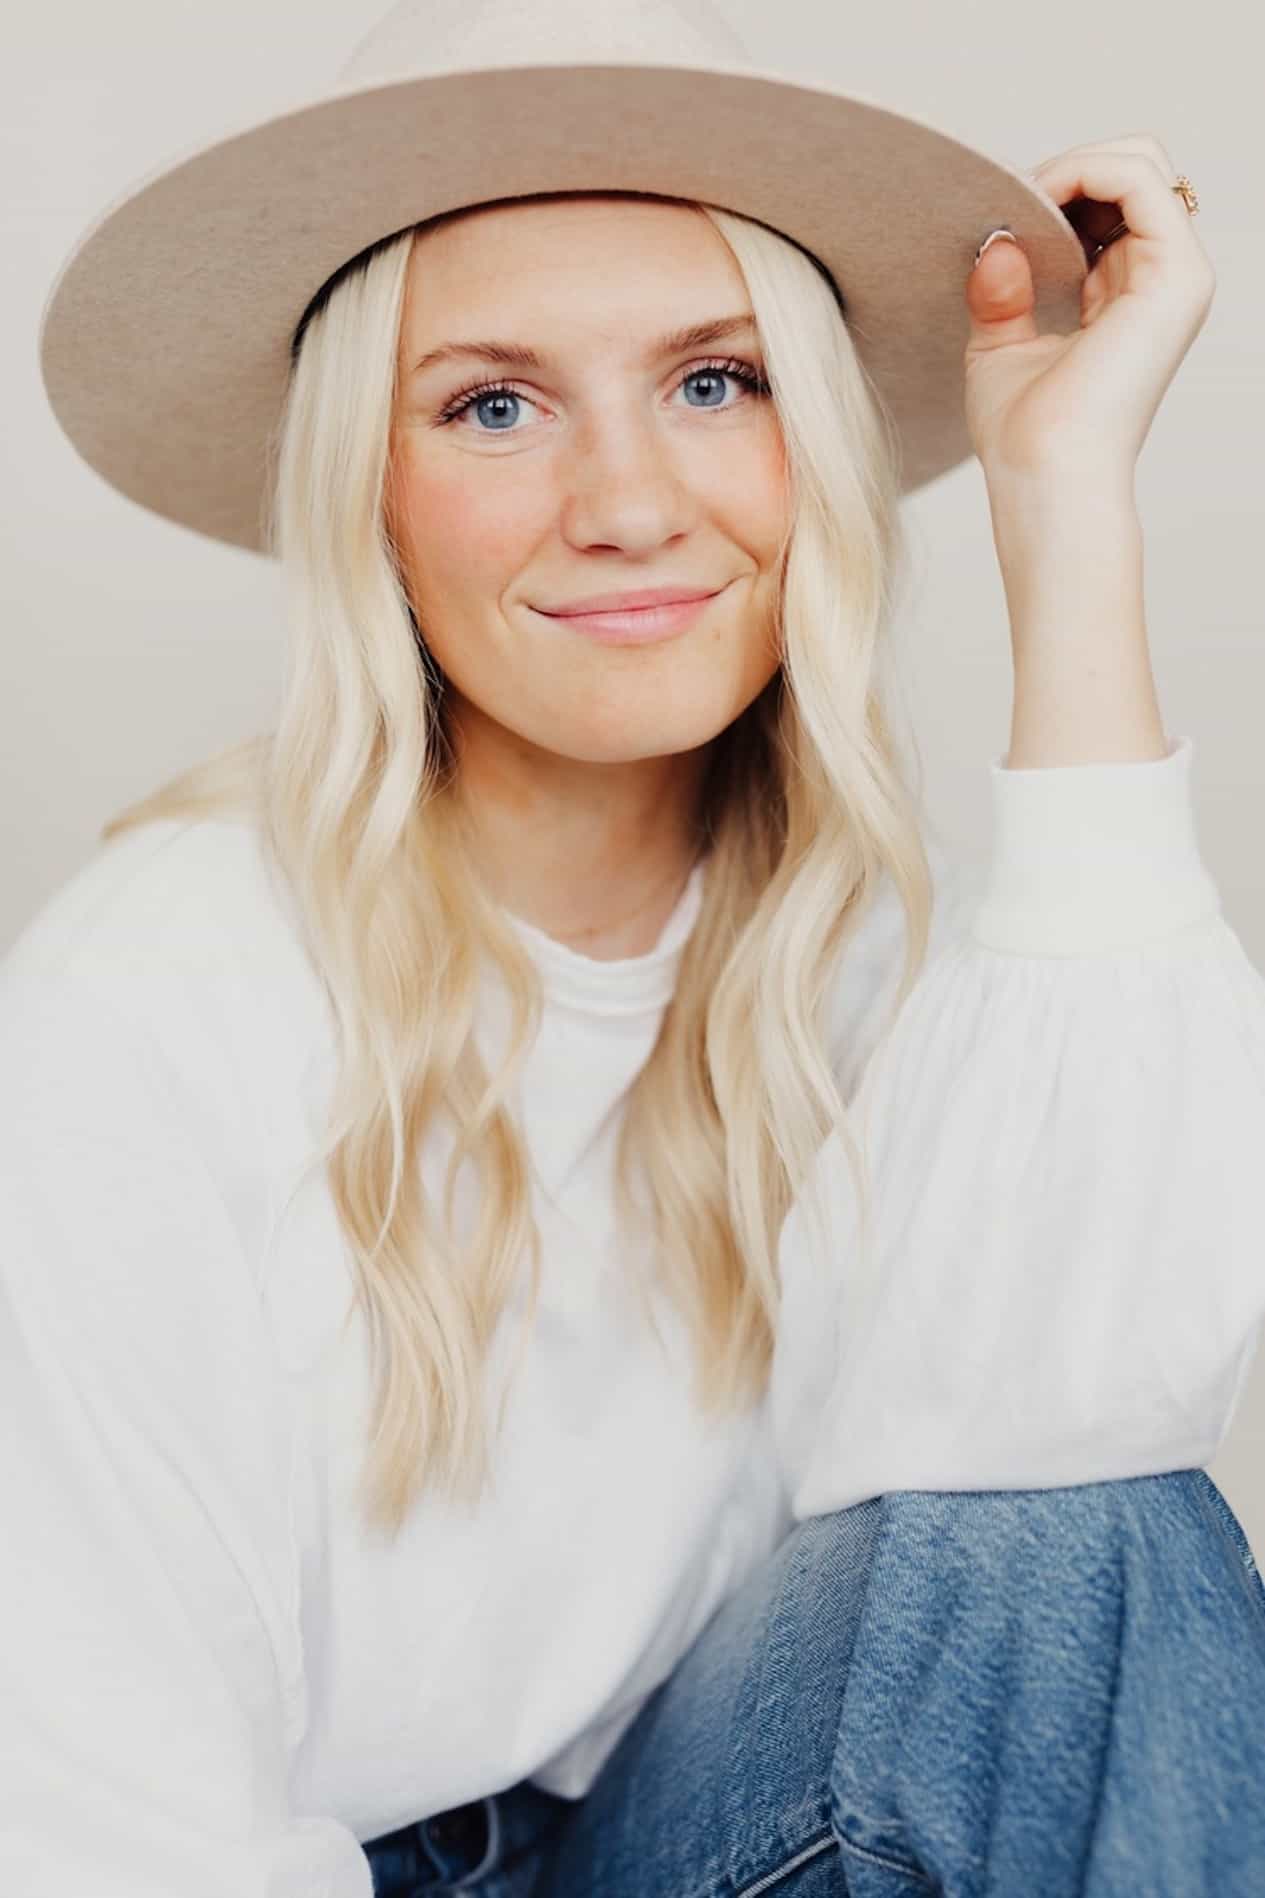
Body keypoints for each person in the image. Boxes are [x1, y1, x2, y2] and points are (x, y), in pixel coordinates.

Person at [7, 1, 1265, 1893]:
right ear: (371, 493)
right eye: (492, 404)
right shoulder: (148, 1007)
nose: (624, 506)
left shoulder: (843, 941)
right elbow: (107, 1828)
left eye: (714, 380)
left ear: (810, 442)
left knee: (1075, 1538)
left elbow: (1090, 1437)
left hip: (692, 1837)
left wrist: (1062, 504)